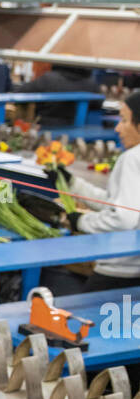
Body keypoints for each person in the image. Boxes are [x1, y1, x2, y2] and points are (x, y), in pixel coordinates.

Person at [42, 92, 140, 295]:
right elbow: (118, 203)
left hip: (120, 268)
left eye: (124, 120)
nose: (117, 128)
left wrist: (82, 222)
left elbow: (123, 218)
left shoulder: (132, 158)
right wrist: (73, 183)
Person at [11, 63, 99, 127]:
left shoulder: (49, 79)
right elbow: (98, 104)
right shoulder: (90, 83)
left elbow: (20, 93)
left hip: (45, 126)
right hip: (78, 127)